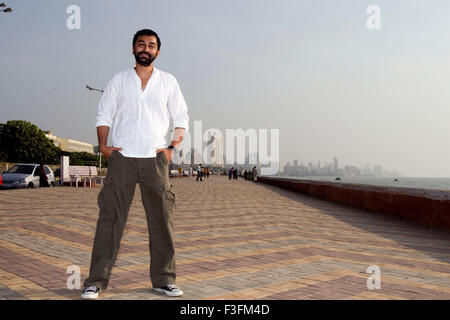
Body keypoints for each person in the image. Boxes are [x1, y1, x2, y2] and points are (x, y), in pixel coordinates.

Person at [81, 29, 189, 299]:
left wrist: (171, 148)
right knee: (110, 219)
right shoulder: (119, 80)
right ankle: (95, 281)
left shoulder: (168, 82)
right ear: (133, 49)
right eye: (141, 44)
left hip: (155, 160)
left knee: (162, 220)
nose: (146, 48)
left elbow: (182, 119)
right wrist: (104, 147)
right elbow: (103, 113)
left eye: (151, 45)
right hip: (123, 159)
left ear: (158, 52)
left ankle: (164, 279)